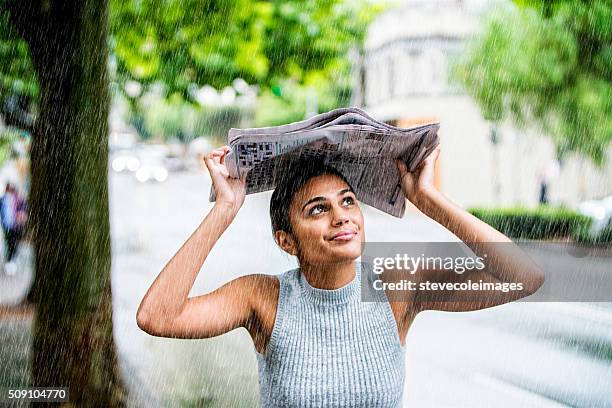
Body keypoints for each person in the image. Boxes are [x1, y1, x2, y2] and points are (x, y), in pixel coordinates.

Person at [137, 145, 545, 407]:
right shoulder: (262, 296)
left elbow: (524, 278)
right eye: (317, 209)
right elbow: (157, 316)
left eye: (347, 201)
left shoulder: (395, 286)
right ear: (287, 241)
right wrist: (223, 210)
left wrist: (428, 200)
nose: (341, 216)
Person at [0, 182, 27, 275]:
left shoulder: (19, 199)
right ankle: (9, 262)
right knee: (9, 243)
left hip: (16, 226)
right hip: (7, 226)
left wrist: (21, 215)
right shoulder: (3, 199)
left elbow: (23, 209)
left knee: (15, 244)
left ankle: (13, 261)